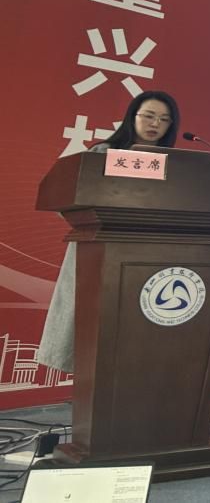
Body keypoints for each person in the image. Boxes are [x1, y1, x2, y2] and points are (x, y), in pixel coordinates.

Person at [35, 91, 181, 373]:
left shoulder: (174, 164)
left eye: (164, 119)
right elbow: (65, 197)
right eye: (149, 116)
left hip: (148, 255)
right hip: (99, 248)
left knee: (131, 336)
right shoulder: (103, 153)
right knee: (91, 329)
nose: (155, 124)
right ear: (132, 117)